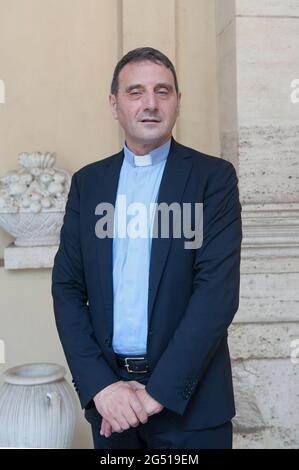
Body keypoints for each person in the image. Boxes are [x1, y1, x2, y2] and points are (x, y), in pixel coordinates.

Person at [52, 47, 242, 449]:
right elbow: (67, 288)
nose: (150, 104)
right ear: (114, 104)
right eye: (135, 91)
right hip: (111, 406)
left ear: (177, 102)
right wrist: (101, 388)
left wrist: (158, 393)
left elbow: (216, 294)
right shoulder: (89, 185)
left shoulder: (213, 179)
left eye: (163, 91)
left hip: (191, 408)